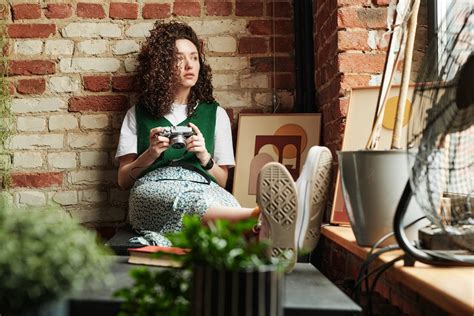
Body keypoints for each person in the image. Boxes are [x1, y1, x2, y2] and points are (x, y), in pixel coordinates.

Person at [115, 21, 332, 271]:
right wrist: (151, 154)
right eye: (179, 59)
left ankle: (271, 235)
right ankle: (274, 218)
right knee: (190, 202)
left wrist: (204, 156)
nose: (189, 65)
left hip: (204, 186)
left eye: (194, 58)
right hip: (153, 190)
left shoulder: (215, 113)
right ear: (162, 66)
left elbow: (221, 180)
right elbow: (123, 180)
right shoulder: (137, 114)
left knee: (224, 203)